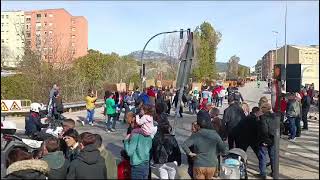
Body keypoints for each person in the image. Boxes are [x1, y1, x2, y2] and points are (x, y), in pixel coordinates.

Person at [182, 110, 227, 179]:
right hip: (212, 165)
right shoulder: (215, 134)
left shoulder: (196, 134)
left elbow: (184, 145)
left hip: (199, 165)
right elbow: (224, 150)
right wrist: (216, 153)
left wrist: (190, 153)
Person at [124, 115, 153, 179]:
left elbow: (129, 152)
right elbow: (150, 147)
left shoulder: (135, 135)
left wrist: (126, 141)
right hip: (146, 164)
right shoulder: (148, 135)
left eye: (132, 122)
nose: (131, 124)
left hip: (137, 165)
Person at [256, 102, 276, 179]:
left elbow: (264, 130)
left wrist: (265, 141)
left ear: (263, 109)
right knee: (272, 156)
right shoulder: (275, 116)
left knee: (262, 156)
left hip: (265, 140)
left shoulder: (263, 118)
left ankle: (263, 173)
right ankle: (274, 172)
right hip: (273, 139)